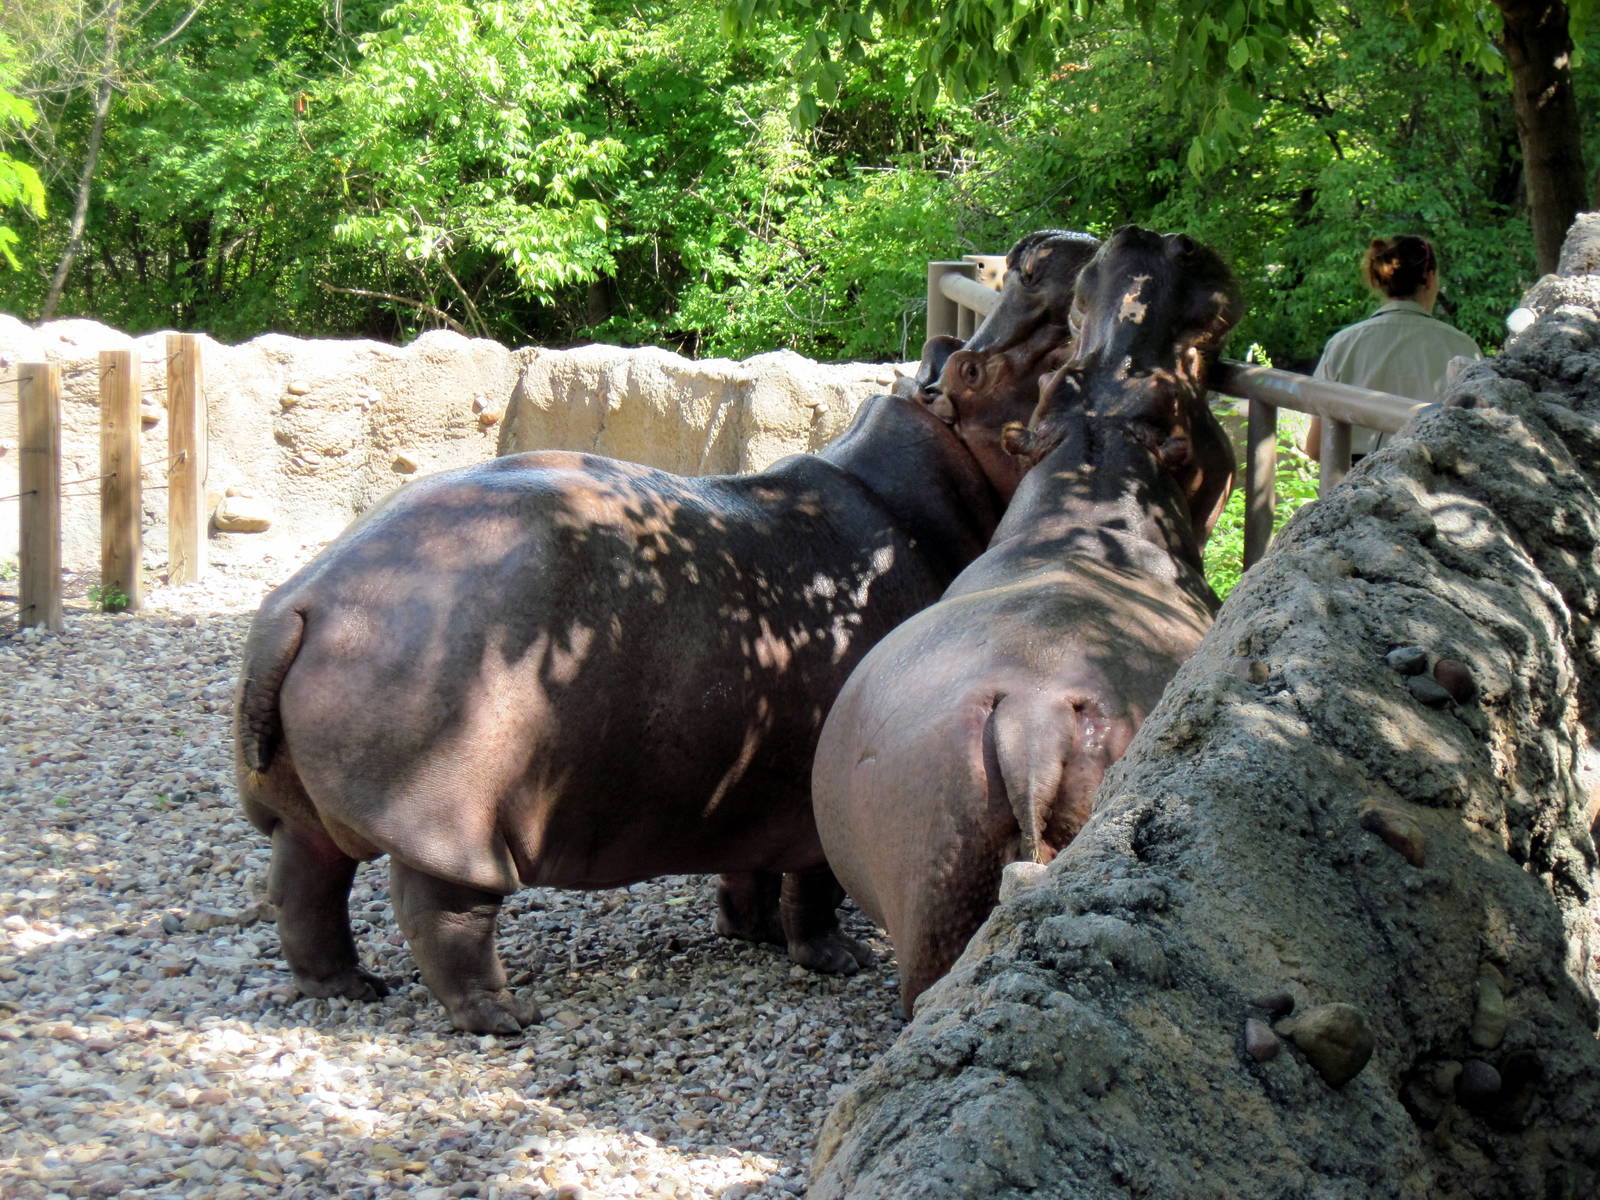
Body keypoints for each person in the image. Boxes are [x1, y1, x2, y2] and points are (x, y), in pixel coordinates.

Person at [1304, 235, 1481, 461]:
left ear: (1378, 280)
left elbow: (1317, 447)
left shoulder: (1343, 343)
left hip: (1349, 484)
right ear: (1428, 278)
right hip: (1432, 478)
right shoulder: (1461, 345)